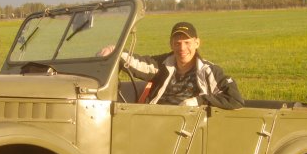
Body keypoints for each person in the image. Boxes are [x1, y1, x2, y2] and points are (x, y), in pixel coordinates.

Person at [100, 22, 245, 109]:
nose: (182, 48)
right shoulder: (162, 65)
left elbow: (235, 99)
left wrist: (199, 100)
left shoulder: (209, 71)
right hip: (156, 119)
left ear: (197, 43)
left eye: (187, 43)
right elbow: (138, 63)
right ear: (171, 44)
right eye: (177, 43)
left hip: (187, 126)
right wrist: (115, 51)